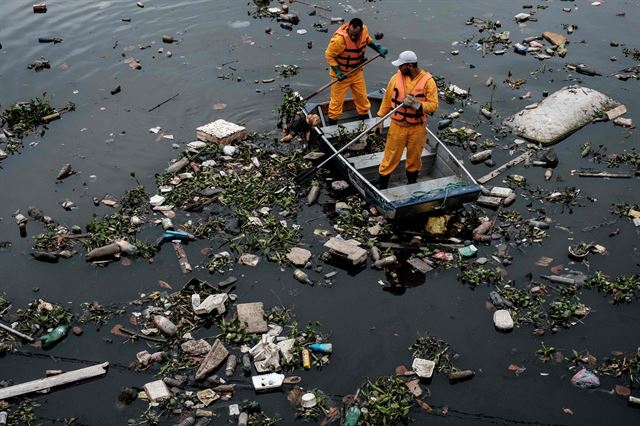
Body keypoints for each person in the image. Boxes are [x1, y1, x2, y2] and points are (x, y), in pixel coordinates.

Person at [376, 50, 438, 189]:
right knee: (390, 158)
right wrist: (379, 119)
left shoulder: (428, 82)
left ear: (410, 66)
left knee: (414, 158)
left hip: (417, 128)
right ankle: (383, 188)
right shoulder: (395, 79)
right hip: (397, 126)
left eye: (401, 66)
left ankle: (412, 185)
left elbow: (433, 106)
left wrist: (416, 104)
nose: (399, 68)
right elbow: (387, 101)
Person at [325, 18, 388, 125]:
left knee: (363, 100)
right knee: (336, 104)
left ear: (361, 31)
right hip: (342, 75)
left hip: (357, 73)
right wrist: (337, 71)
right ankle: (331, 127)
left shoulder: (364, 30)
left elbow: (367, 40)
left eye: (356, 34)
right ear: (349, 28)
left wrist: (378, 47)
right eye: (352, 34)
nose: (353, 36)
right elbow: (329, 55)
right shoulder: (339, 40)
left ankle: (364, 123)